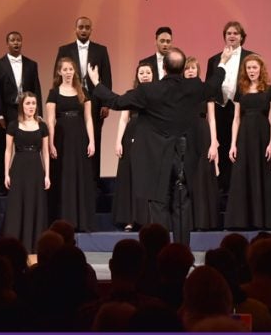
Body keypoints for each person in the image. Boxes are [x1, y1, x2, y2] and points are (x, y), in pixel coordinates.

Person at [90, 47, 226, 244]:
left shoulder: (148, 90)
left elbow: (117, 101)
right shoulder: (194, 87)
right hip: (183, 156)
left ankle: (160, 253)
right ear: (182, 69)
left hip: (156, 158)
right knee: (182, 204)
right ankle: (181, 253)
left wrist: (96, 83)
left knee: (158, 204)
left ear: (163, 67)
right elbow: (214, 85)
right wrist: (222, 64)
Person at [54, 17, 112, 187]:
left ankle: (93, 181)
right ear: (75, 29)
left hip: (94, 101)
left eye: (87, 27)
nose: (84, 30)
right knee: (71, 139)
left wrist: (106, 103)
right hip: (70, 98)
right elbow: (57, 76)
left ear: (91, 30)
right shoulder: (64, 49)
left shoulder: (101, 50)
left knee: (94, 139)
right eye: (81, 27)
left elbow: (106, 77)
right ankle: (71, 181)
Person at [224, 54, 271, 229]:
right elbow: (236, 119)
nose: (252, 71)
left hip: (263, 136)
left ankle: (264, 220)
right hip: (245, 137)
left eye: (255, 67)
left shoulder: (270, 90)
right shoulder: (241, 90)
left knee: (262, 174)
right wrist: (233, 144)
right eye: (249, 68)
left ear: (261, 69)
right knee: (243, 174)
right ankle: (242, 221)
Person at [206, 21, 256, 194]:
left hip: (242, 109)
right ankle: (222, 184)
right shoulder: (213, 60)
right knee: (221, 144)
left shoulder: (251, 58)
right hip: (221, 107)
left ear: (242, 37)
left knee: (240, 145)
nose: (232, 36)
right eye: (229, 33)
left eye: (235, 33)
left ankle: (239, 185)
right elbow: (210, 87)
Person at [46, 58, 95, 231]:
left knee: (79, 175)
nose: (68, 72)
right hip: (61, 138)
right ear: (59, 72)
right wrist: (51, 143)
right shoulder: (54, 93)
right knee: (64, 176)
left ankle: (81, 221)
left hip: (80, 137)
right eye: (65, 69)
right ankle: (65, 221)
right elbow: (50, 121)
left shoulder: (83, 92)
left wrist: (92, 141)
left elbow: (88, 119)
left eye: (71, 69)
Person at [0, 31, 42, 195]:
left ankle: (26, 183)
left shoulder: (31, 64)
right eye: (12, 40)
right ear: (7, 43)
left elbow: (36, 88)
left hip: (28, 111)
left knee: (27, 146)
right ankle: (0, 185)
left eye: (19, 40)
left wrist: (37, 113)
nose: (16, 43)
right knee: (3, 148)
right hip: (7, 111)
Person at [2, 92, 50, 251]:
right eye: (28, 103)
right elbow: (8, 151)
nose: (31, 106)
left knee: (35, 204)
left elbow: (45, 152)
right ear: (22, 105)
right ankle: (16, 245)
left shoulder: (42, 126)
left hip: (36, 169)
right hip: (19, 168)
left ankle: (34, 243)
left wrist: (47, 175)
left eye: (33, 103)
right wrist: (6, 173)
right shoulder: (13, 125)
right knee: (18, 205)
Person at [112, 63, 153, 231]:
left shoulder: (158, 95)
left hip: (150, 139)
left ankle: (148, 218)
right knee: (130, 177)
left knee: (148, 178)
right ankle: (130, 218)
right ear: (137, 76)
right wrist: (118, 141)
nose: (144, 75)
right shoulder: (131, 95)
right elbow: (123, 119)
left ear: (152, 75)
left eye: (148, 72)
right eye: (141, 72)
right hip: (131, 137)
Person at [184, 57, 220, 231]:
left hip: (203, 132)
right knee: (187, 175)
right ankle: (188, 221)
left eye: (193, 68)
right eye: (187, 68)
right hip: (184, 133)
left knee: (203, 175)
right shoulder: (178, 91)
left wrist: (214, 143)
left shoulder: (206, 90)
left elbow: (212, 118)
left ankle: (203, 221)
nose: (190, 71)